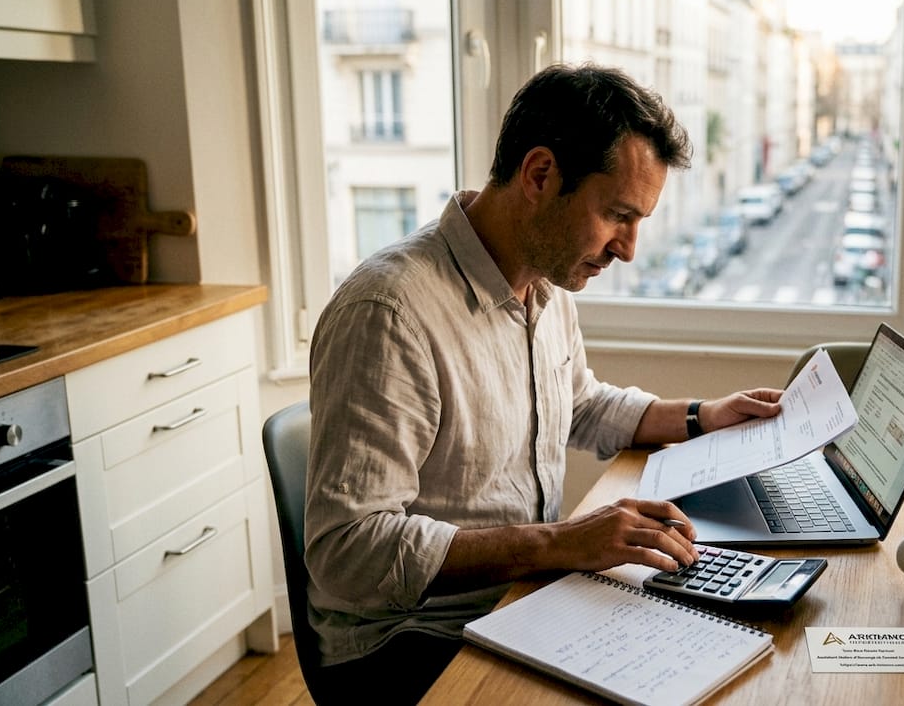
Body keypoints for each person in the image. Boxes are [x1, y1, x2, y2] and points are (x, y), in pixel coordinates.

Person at [304, 63, 783, 704]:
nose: (629, 249)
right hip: (408, 639)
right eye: (618, 215)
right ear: (539, 175)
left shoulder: (544, 284)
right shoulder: (389, 314)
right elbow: (347, 550)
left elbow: (578, 403)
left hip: (523, 599)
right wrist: (558, 544)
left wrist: (701, 414)